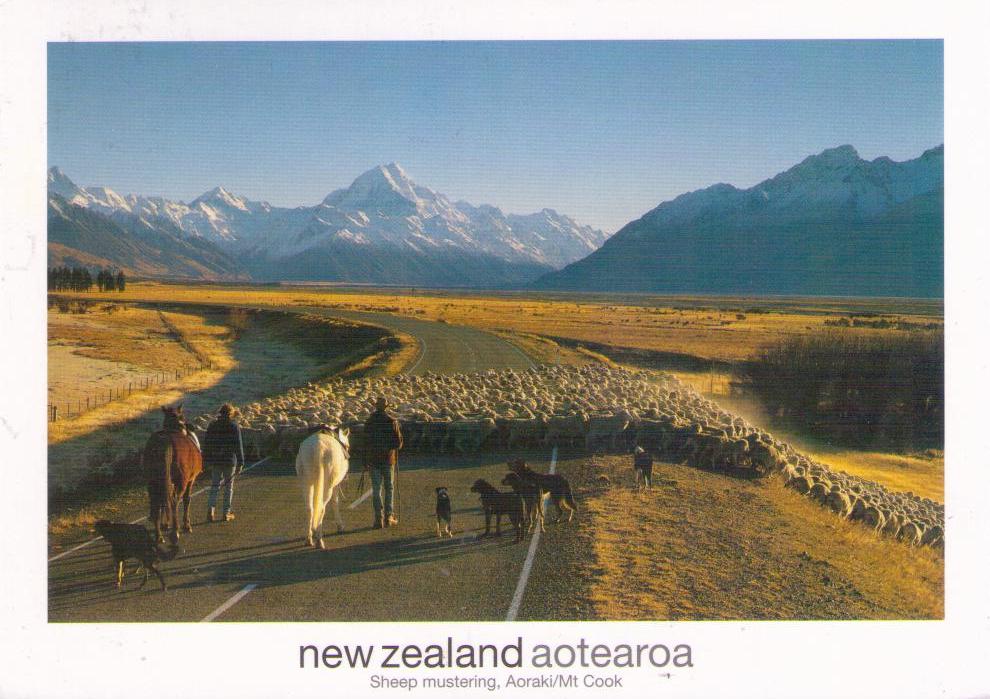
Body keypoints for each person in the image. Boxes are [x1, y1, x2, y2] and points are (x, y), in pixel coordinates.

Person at [363, 397, 404, 528]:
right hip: (388, 459)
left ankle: (378, 519)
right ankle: (388, 516)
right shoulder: (391, 421)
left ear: (376, 407)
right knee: (389, 488)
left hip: (373, 460)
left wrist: (365, 460)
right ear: (386, 407)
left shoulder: (369, 422)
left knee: (376, 489)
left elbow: (365, 443)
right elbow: (398, 443)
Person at [203, 403, 246, 523]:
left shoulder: (213, 425)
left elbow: (207, 443)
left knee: (215, 486)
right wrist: (241, 462)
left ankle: (211, 510)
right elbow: (238, 445)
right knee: (228, 487)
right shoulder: (233, 426)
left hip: (216, 460)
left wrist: (206, 459)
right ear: (230, 414)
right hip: (229, 460)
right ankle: (226, 513)